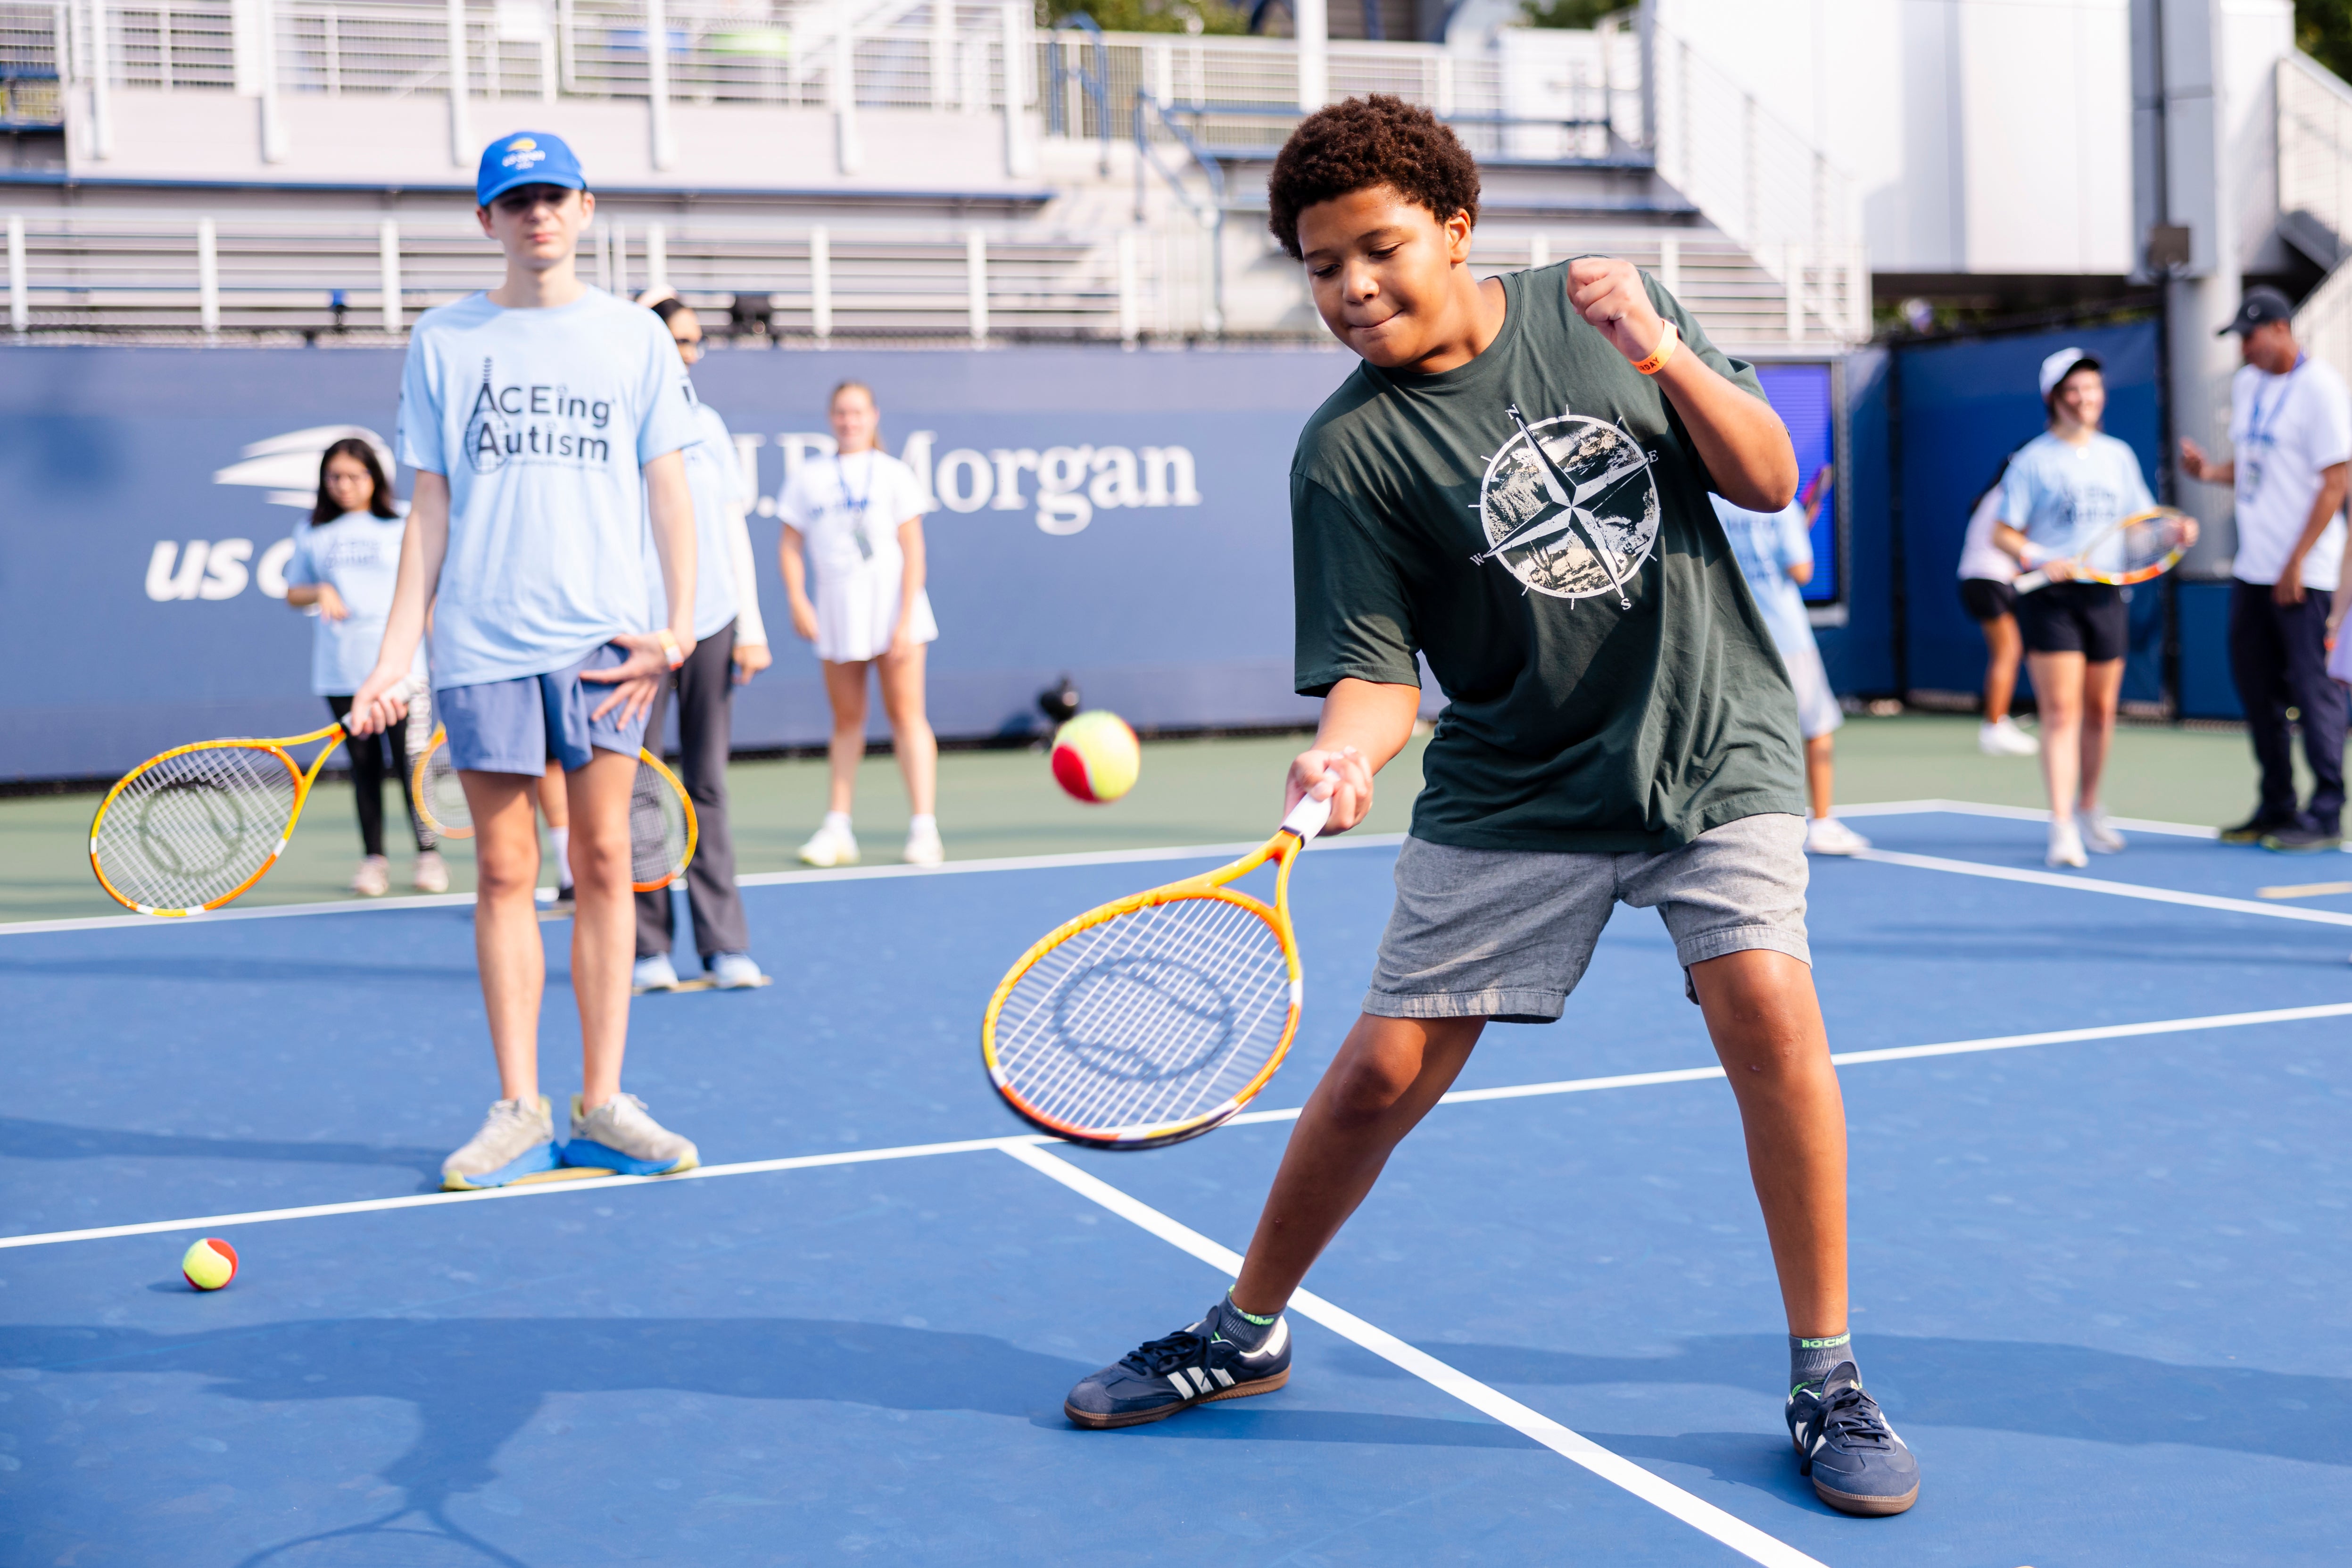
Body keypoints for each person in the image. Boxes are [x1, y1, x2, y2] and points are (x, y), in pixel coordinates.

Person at [1060, 96, 1920, 1518]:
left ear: (1455, 230)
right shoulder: (1345, 455)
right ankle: (1244, 1327)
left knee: (1768, 1005)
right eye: (1320, 266)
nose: (1350, 289)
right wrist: (1345, 753)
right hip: (1515, 782)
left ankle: (1827, 1373)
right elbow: (1373, 674)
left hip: (1708, 743)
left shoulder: (1606, 316)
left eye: (1379, 250)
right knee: (1380, 1073)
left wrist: (1655, 347)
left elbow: (1767, 480)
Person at [347, 130, 706, 1192]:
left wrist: (677, 627)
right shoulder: (445, 341)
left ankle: (604, 1105)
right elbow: (431, 509)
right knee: (505, 871)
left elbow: (669, 489)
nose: (537, 215)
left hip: (603, 641)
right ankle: (517, 1109)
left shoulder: (633, 338)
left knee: (605, 866)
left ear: (585, 209)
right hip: (482, 645)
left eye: (554, 196)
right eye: (517, 201)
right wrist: (392, 658)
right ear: (486, 222)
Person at [1993, 348, 2187, 868]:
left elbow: (2142, 523)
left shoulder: (2116, 455)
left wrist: (2172, 530)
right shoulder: (2031, 460)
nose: (2086, 399)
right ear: (2054, 398)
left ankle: (2088, 807)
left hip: (2105, 593)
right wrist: (2039, 557)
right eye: (2074, 390)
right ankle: (2060, 825)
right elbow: (2002, 532)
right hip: (2052, 600)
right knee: (2061, 714)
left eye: (2093, 389)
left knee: (2100, 712)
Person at [631, 290, 773, 992]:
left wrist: (750, 626)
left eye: (694, 341)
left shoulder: (708, 425)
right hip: (641, 629)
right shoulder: (620, 419)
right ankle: (648, 947)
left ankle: (724, 946)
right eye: (678, 341)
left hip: (713, 621)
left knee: (707, 783)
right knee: (640, 785)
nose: (690, 354)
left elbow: (730, 529)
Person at [2181, 285, 2352, 851]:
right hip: (2253, 570)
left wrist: (2295, 562)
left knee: (2312, 690)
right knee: (2256, 690)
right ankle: (2276, 805)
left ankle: (2325, 813)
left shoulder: (2322, 390)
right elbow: (2254, 467)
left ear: (2280, 329)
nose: (2243, 349)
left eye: (2249, 337)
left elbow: (2335, 482)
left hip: (2306, 574)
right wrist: (2209, 473)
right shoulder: (2248, 384)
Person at [778, 380, 943, 868]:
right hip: (837, 612)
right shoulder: (808, 477)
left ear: (873, 416)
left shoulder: (893, 475)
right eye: (841, 413)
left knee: (907, 716)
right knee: (846, 721)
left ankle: (923, 829)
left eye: (858, 413)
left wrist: (904, 619)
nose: (849, 421)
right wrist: (797, 600)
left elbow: (914, 548)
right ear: (831, 418)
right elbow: (789, 545)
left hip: (895, 611)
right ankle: (838, 828)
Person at [282, 437, 447, 896]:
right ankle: (374, 860)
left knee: (412, 765)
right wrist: (319, 591)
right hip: (341, 671)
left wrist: (439, 652)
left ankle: (428, 855)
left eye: (354, 475)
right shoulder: (312, 532)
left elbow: (427, 590)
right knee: (364, 768)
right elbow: (293, 591)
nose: (344, 485)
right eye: (334, 477)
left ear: (375, 478)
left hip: (403, 673)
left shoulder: (403, 524)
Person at [1712, 468, 1871, 855]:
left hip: (1729, 634)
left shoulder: (1709, 502)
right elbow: (1801, 571)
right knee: (1817, 729)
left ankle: (1734, 827)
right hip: (1786, 636)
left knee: (1734, 736)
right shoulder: (1777, 506)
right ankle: (1823, 823)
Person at [1956, 448, 2039, 757]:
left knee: (2008, 650)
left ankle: (1997, 722)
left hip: (1981, 579)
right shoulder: (2010, 496)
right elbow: (2014, 542)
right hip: (1987, 579)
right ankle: (1994, 727)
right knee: (2008, 650)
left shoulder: (1995, 493)